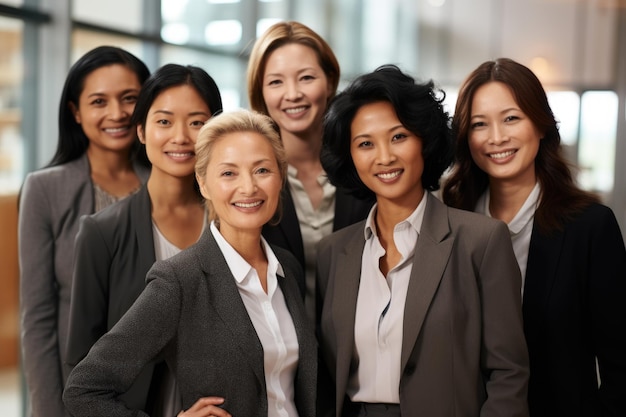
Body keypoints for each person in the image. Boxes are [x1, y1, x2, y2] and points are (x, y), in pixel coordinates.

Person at [63, 109, 317, 417]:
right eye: (228, 173)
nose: (249, 187)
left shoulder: (285, 267)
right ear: (203, 183)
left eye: (262, 170)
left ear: (280, 178)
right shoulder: (180, 280)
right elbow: (84, 389)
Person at [316, 65, 530, 417]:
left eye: (398, 136)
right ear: (350, 158)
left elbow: (509, 373)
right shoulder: (333, 252)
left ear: (424, 141)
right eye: (365, 144)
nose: (384, 157)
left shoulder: (481, 241)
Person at [442, 57, 626, 417]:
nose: (497, 138)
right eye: (480, 124)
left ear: (541, 125)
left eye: (511, 118)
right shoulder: (450, 220)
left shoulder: (590, 227)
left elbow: (621, 365)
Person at [65, 63, 223, 415]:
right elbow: (81, 364)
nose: (181, 137)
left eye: (197, 122)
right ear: (140, 130)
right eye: (164, 121)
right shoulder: (101, 232)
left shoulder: (234, 223)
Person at [18, 45, 150, 417]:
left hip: (156, 388)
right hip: (75, 389)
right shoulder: (44, 188)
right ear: (75, 111)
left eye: (129, 99)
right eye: (98, 101)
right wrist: (47, 409)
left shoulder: (168, 183)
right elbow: (38, 315)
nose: (117, 113)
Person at [247, 21, 372, 318]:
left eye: (306, 77)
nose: (292, 94)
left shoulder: (364, 165)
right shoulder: (249, 179)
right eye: (276, 82)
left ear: (329, 82)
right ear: (261, 93)